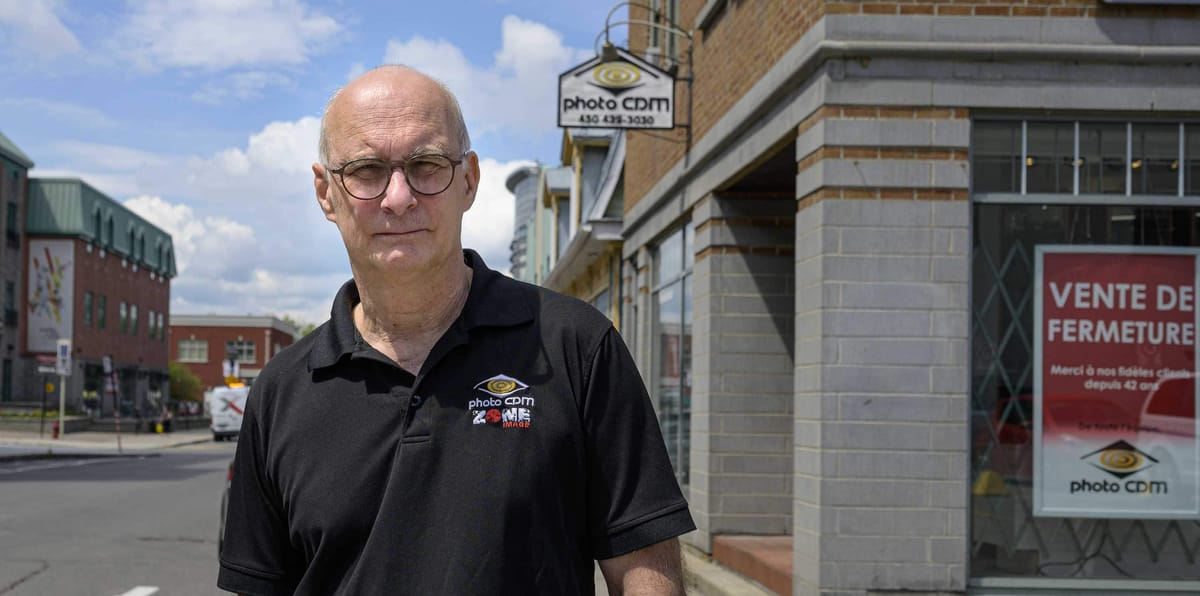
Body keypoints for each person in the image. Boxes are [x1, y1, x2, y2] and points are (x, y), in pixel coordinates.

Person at [217, 65, 695, 595]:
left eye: (425, 165)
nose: (398, 197)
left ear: (468, 179)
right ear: (326, 192)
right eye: (367, 170)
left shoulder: (576, 346)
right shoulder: (282, 391)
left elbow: (646, 570)